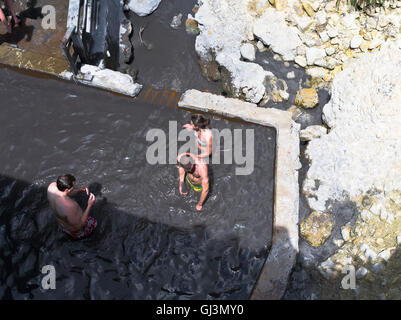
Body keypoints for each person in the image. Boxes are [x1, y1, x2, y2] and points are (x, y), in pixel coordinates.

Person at [47, 174, 97, 239]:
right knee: (95, 223)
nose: (74, 187)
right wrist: (89, 205)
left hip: (61, 223)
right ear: (67, 189)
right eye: (73, 187)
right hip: (74, 230)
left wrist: (79, 190)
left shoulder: (51, 186)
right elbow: (79, 226)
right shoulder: (69, 206)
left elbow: (66, 192)